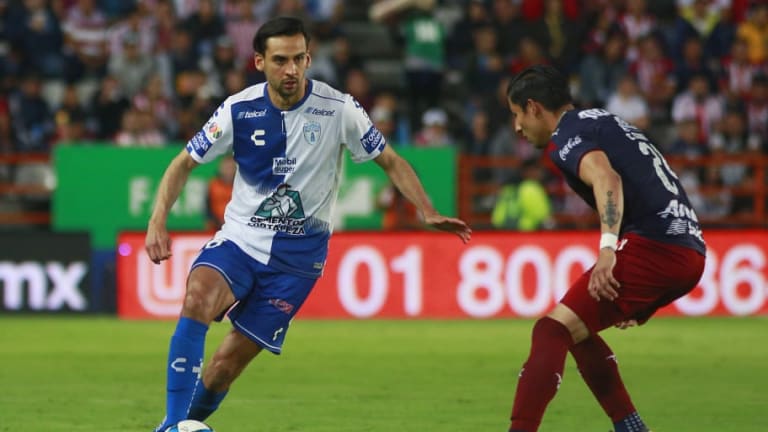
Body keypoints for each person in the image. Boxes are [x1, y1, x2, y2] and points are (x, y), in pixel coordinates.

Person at [144, 17, 472, 432]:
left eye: (299, 59)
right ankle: (175, 425)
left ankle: (179, 425)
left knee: (225, 366)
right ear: (259, 62)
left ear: (309, 59)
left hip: (297, 263)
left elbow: (390, 160)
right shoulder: (237, 110)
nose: (292, 70)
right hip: (240, 242)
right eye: (281, 60)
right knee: (197, 298)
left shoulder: (339, 109)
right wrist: (157, 220)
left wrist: (427, 210)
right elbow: (182, 164)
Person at [504, 65, 706, 432]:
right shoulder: (602, 120)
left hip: (656, 247)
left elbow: (607, 178)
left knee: (550, 331)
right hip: (689, 249)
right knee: (577, 331)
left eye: (517, 115)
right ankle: (630, 426)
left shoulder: (566, 137)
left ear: (534, 107)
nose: (518, 127)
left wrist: (608, 249)